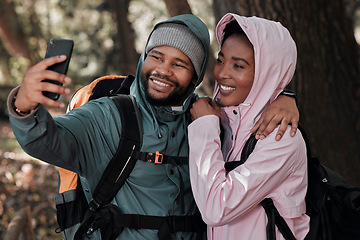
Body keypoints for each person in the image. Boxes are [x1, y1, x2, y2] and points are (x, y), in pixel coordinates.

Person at [7, 14, 298, 240]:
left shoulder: (206, 118)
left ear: (195, 76)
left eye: (179, 64)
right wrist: (24, 107)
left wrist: (284, 96)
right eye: (156, 56)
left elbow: (250, 104)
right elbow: (50, 141)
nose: (163, 70)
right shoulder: (109, 116)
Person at [188, 13, 309, 240]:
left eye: (238, 66)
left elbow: (217, 208)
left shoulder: (282, 137)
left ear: (267, 73)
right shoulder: (220, 120)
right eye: (221, 60)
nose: (222, 73)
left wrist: (205, 127)